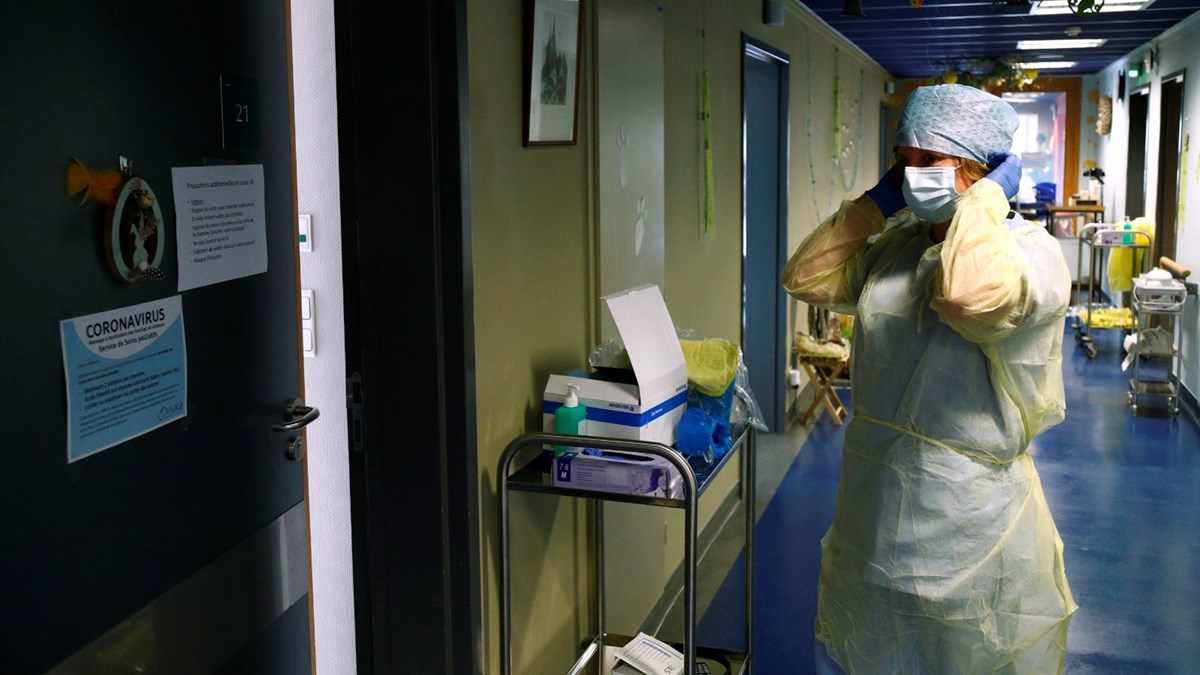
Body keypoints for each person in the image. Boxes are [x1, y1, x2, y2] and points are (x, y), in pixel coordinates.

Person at [781, 84, 1076, 674]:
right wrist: (873, 205)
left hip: (968, 514)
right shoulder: (897, 247)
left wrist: (983, 204)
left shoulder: (1030, 254)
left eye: (930, 160)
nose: (913, 175)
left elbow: (968, 298)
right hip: (875, 501)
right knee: (877, 650)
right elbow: (804, 277)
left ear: (978, 167)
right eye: (904, 160)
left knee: (964, 652)